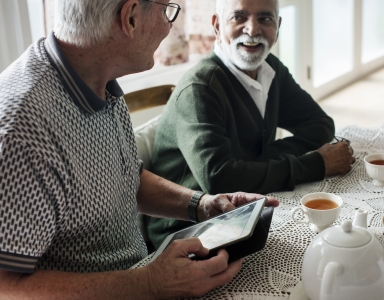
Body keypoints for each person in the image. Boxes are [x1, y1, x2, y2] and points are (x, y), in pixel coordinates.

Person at [0, 0, 279, 298]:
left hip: (139, 272)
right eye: (165, 11)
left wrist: (203, 205)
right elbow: (7, 287)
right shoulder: (22, 133)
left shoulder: (98, 78)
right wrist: (150, 283)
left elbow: (123, 177)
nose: (168, 25)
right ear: (130, 17)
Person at [145, 0, 355, 249]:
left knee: (334, 239)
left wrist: (256, 163)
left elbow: (320, 124)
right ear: (216, 25)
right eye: (239, 17)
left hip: (241, 211)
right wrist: (315, 164)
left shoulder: (270, 69)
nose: (252, 29)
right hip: (185, 231)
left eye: (265, 19)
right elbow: (220, 179)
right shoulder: (200, 89)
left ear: (278, 26)